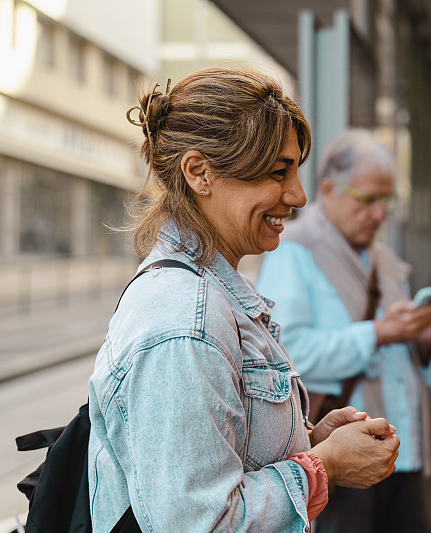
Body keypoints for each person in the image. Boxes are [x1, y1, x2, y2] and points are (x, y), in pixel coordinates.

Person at [88, 68, 400, 532]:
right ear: (199, 173)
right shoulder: (184, 323)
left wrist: (311, 440)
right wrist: (323, 467)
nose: (297, 195)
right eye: (278, 172)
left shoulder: (208, 293)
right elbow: (202, 523)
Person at [256, 129, 431, 533]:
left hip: (402, 452)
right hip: (341, 457)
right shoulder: (294, 249)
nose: (380, 213)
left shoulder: (382, 257)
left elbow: (401, 349)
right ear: (328, 189)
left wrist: (423, 338)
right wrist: (380, 333)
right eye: (368, 199)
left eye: (386, 200)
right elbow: (283, 351)